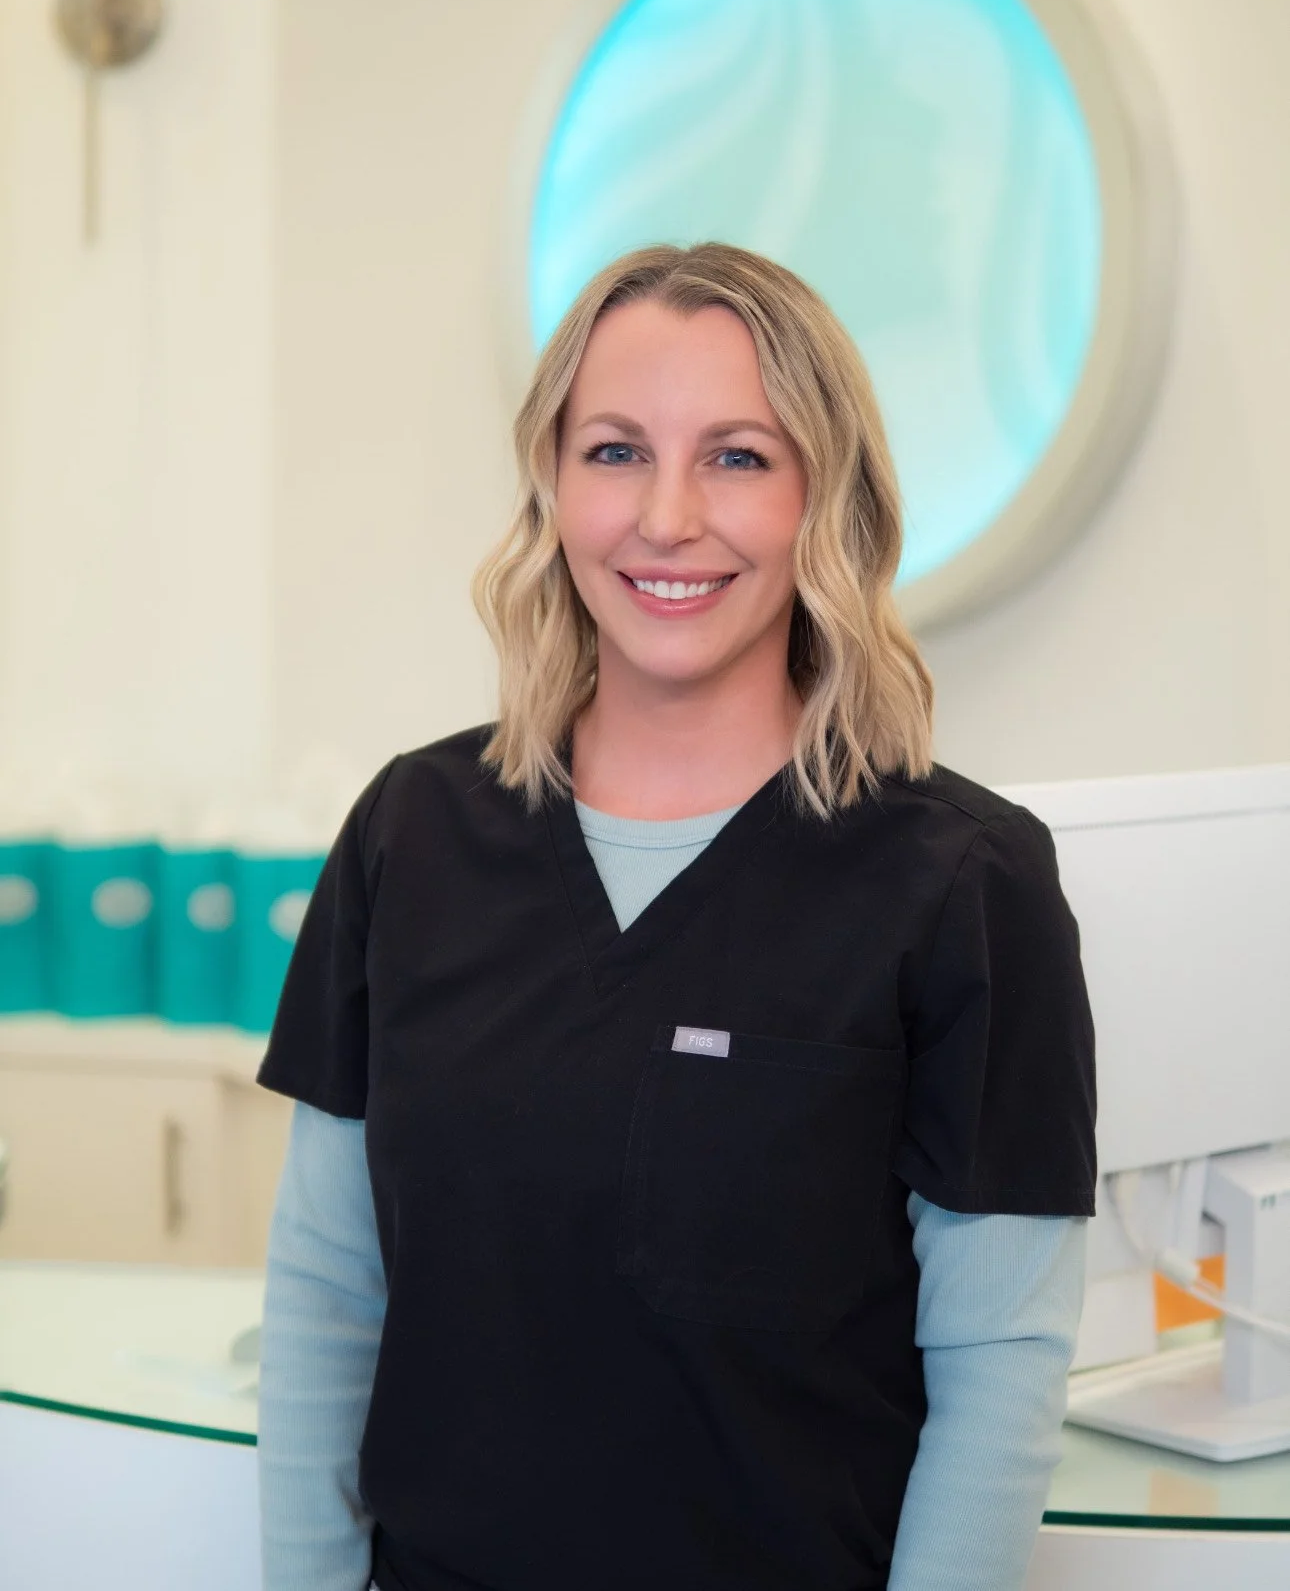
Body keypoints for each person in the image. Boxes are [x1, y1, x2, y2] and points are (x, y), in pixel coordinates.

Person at [255, 242, 1097, 1591]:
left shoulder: (960, 882)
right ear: (551, 484)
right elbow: (326, 1289)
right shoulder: (411, 834)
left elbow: (997, 1372)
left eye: (737, 456)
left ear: (827, 495)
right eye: (613, 451)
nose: (664, 516)